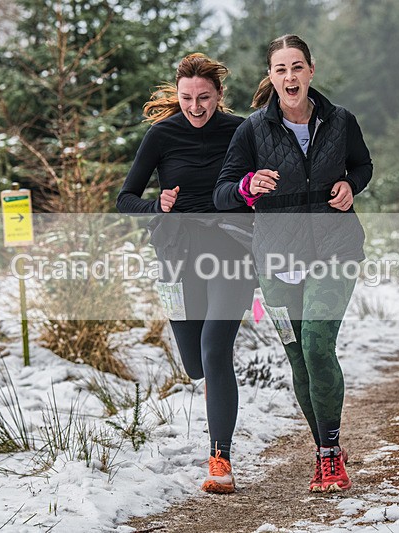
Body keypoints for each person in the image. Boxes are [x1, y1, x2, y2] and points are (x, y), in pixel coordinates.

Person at [214, 35, 372, 493]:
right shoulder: (252, 132)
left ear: (311, 71)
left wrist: (351, 186)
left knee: (318, 345)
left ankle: (329, 456)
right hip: (277, 260)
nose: (289, 77)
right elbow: (223, 192)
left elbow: (362, 165)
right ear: (271, 76)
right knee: (299, 358)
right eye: (280, 69)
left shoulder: (340, 121)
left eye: (297, 67)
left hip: (335, 250)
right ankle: (326, 449)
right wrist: (246, 186)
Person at [116, 53, 254, 494]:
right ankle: (216, 420)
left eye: (205, 98)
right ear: (177, 95)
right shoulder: (162, 135)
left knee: (215, 351)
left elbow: (266, 181)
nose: (196, 107)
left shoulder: (240, 130)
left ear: (219, 95)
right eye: (187, 98)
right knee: (195, 364)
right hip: (176, 253)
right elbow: (125, 198)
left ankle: (220, 460)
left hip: (230, 249)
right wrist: (158, 205)